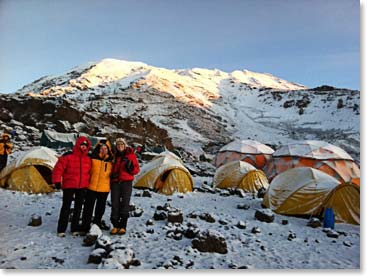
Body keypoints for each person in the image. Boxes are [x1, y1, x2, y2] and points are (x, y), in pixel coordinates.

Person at [52, 136, 92, 237]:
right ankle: (61, 229)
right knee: (66, 207)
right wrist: (57, 181)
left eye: (85, 146)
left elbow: (91, 172)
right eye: (82, 145)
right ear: (78, 145)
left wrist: (89, 184)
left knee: (78, 208)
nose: (83, 147)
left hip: (82, 186)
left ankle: (75, 228)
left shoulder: (88, 158)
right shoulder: (68, 156)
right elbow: (58, 169)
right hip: (69, 185)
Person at [81, 139, 113, 232]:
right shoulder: (92, 158)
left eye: (105, 148)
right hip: (91, 186)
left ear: (108, 149)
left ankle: (96, 224)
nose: (103, 150)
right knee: (88, 208)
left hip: (104, 188)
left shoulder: (111, 161)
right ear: (98, 149)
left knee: (100, 209)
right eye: (101, 148)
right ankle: (85, 225)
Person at [110, 138, 140, 235]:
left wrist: (130, 168)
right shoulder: (113, 155)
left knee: (125, 203)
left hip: (126, 183)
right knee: (115, 203)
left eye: (121, 144)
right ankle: (115, 225)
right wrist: (112, 174)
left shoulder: (131, 155)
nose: (120, 146)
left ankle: (123, 226)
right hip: (115, 182)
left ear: (125, 145)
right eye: (118, 145)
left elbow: (136, 170)